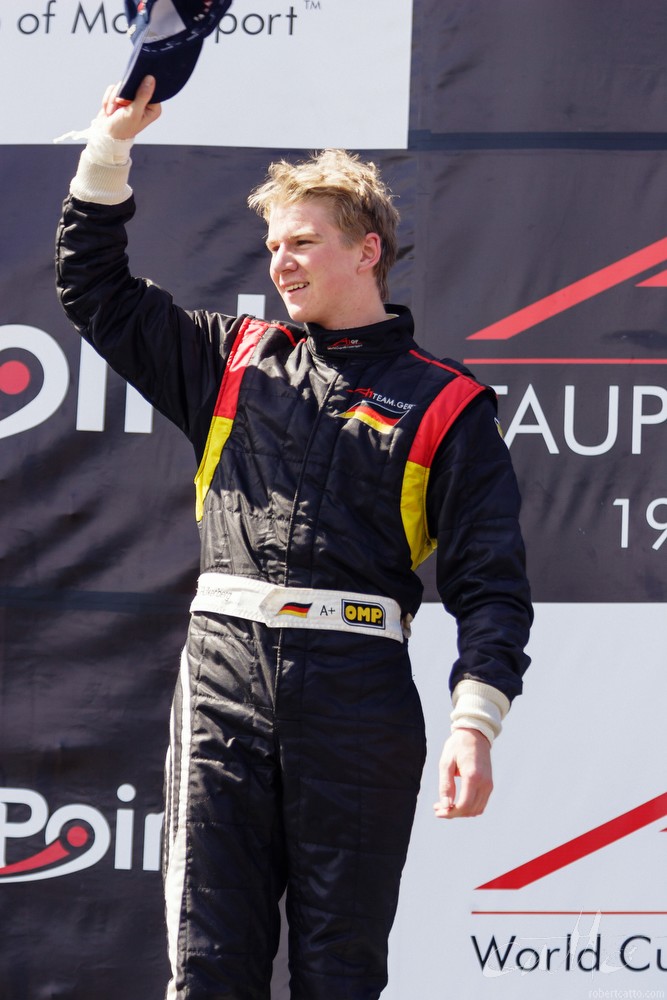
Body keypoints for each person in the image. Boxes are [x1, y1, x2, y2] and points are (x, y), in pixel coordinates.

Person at [56, 76, 532, 1000]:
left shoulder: (448, 402)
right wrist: (107, 151)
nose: (280, 263)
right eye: (272, 245)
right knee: (207, 968)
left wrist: (475, 723)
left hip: (359, 695)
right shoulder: (229, 358)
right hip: (223, 677)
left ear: (367, 251)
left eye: (302, 242)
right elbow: (93, 287)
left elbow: (491, 585)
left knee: (340, 974)